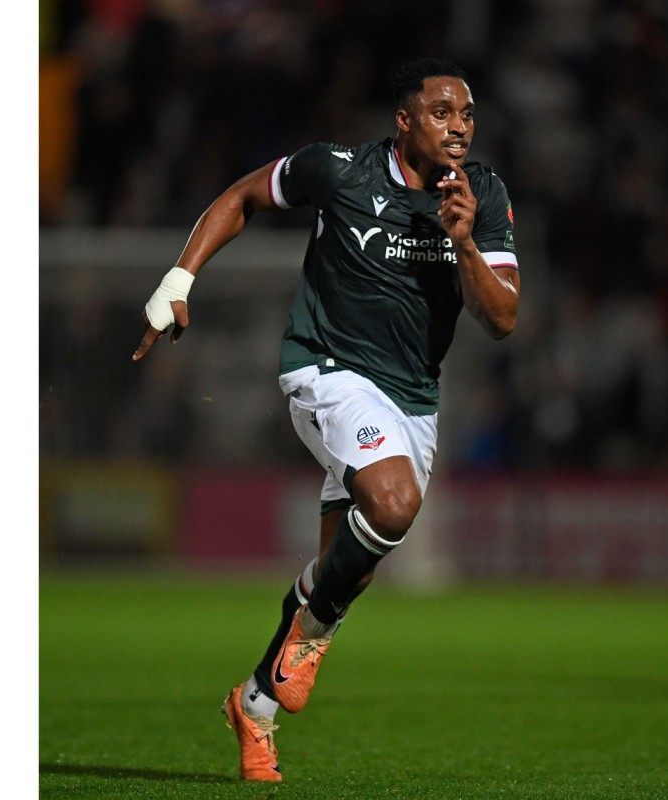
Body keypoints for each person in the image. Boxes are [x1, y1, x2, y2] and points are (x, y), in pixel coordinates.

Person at [132, 57, 520, 782]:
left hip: (413, 398)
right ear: (403, 120)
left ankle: (253, 705)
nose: (459, 125)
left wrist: (464, 239)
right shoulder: (339, 169)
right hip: (326, 368)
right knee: (395, 505)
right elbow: (244, 195)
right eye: (442, 111)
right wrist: (180, 277)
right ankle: (304, 643)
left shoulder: (483, 194)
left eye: (467, 113)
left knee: (347, 571)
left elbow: (500, 319)